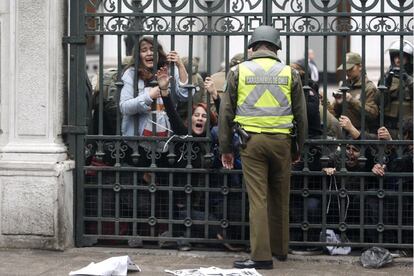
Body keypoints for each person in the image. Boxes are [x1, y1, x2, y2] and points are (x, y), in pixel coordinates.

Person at [218, 25, 308, 269]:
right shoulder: (290, 73)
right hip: (282, 142)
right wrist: (299, 146)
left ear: (252, 46)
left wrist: (225, 147)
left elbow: (225, 112)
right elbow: (301, 115)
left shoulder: (238, 71)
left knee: (258, 199)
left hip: (252, 142)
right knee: (281, 196)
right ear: (277, 47)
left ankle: (261, 257)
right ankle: (280, 249)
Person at [119, 36, 189, 164]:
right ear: (138, 54)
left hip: (167, 143)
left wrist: (180, 65)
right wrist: (149, 96)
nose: (149, 53)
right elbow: (124, 107)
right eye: (144, 50)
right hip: (138, 145)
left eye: (152, 49)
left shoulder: (168, 69)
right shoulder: (131, 73)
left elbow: (185, 95)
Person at [330, 52, 380, 133]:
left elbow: (373, 115)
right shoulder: (345, 84)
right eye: (346, 69)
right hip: (344, 132)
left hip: (360, 133)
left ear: (360, 67)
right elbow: (336, 113)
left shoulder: (368, 87)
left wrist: (352, 100)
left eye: (350, 69)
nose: (347, 72)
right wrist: (337, 102)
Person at [381, 40, 413, 138]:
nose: (398, 59)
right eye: (395, 56)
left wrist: (408, 79)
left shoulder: (411, 77)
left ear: (409, 58)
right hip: (390, 127)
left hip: (409, 129)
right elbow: (379, 102)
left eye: (402, 56)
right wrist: (385, 85)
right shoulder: (386, 76)